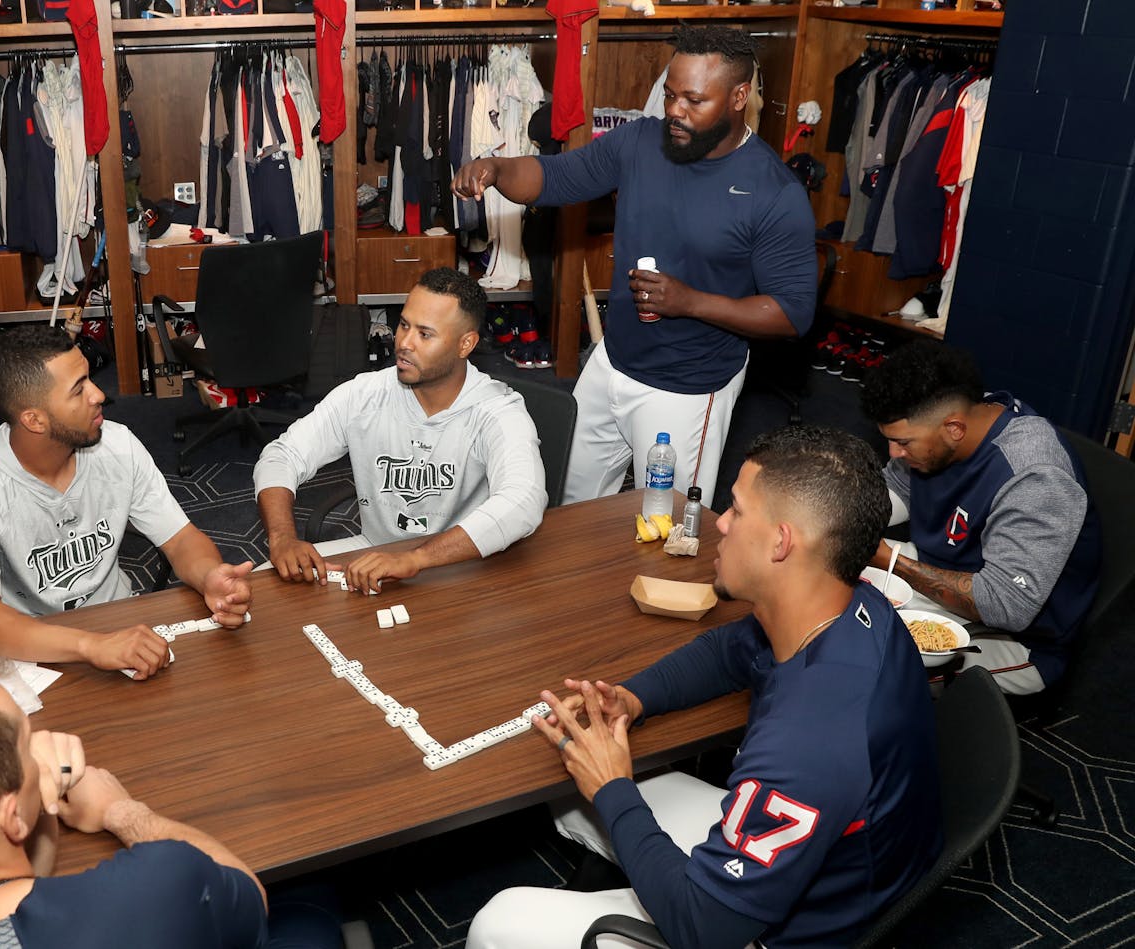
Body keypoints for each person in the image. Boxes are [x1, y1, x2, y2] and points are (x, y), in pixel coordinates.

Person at [467, 427, 942, 949]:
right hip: (843, 865)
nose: (720, 524)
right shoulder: (854, 604)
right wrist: (632, 697)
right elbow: (727, 652)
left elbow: (703, 929)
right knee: (570, 787)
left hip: (780, 932)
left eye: (736, 511)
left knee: (499, 921)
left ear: (781, 542)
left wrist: (612, 789)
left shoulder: (810, 745)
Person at [451, 25, 817, 507]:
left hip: (687, 388)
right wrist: (497, 170)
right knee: (569, 505)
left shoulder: (774, 191)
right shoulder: (641, 142)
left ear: (738, 96)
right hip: (611, 361)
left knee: (665, 529)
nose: (674, 111)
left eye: (693, 100)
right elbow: (555, 177)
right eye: (669, 95)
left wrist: (689, 302)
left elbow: (792, 314)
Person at [0, 645, 339, 948]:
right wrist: (121, 810)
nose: (41, 747)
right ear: (8, 819)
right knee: (313, 918)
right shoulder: (156, 887)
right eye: (28, 741)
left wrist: (36, 800)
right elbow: (246, 896)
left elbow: (6, 902)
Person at [0, 325, 253, 679]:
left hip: (121, 625)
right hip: (29, 650)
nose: (99, 394)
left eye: (89, 378)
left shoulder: (117, 444)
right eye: (78, 390)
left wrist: (208, 575)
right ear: (34, 419)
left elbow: (180, 539)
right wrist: (91, 646)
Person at [254, 268, 548, 593]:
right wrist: (282, 538)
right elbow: (282, 455)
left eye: (425, 334)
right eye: (404, 324)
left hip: (466, 566)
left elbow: (524, 500)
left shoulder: (497, 410)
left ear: (465, 344)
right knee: (268, 580)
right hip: (377, 556)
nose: (404, 343)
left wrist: (416, 559)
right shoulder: (365, 393)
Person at [860, 339, 1101, 694]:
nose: (894, 452)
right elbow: (893, 490)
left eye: (904, 443)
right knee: (827, 575)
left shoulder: (1034, 475)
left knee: (872, 665)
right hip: (943, 569)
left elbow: (1005, 606)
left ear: (954, 428)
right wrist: (839, 515)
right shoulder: (946, 423)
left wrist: (888, 559)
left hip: (1020, 636)